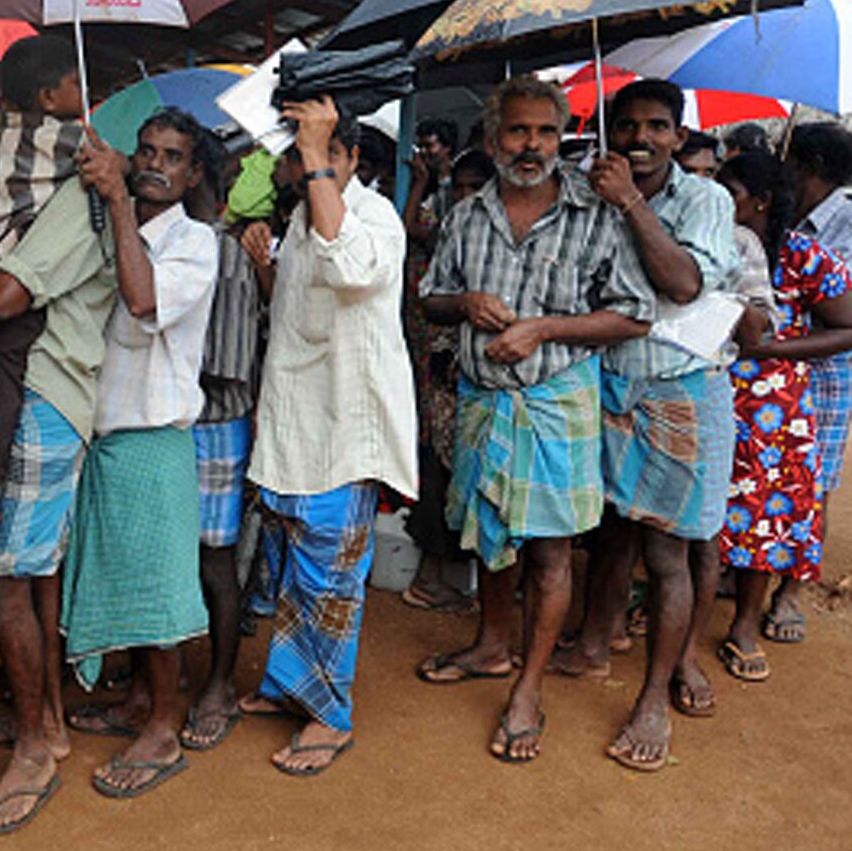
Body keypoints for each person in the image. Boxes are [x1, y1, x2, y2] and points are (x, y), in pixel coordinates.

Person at [416, 76, 654, 764]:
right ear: (493, 141)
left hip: (556, 402)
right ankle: (492, 647)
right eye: (518, 132)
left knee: (549, 550)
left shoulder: (596, 212)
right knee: (490, 530)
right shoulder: (464, 213)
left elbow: (634, 313)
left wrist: (542, 330)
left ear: (562, 136)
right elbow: (430, 300)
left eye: (545, 132)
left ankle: (528, 687)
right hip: (484, 401)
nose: (532, 146)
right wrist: (465, 304)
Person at [238, 97, 417, 776]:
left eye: (319, 153)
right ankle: (293, 688)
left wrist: (314, 159)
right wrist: (264, 263)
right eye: (300, 153)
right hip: (296, 425)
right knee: (293, 571)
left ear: (349, 159)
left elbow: (349, 270)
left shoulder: (374, 218)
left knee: (329, 576)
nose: (302, 166)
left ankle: (329, 715)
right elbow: (293, 310)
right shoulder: (303, 213)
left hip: (344, 432)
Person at [0, 76, 118, 833]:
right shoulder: (66, 186)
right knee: (38, 570)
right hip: (52, 396)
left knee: (3, 576)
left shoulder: (72, 199)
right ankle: (50, 719)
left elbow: (4, 301)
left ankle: (33, 745)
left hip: (45, 398)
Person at [575, 79, 739, 772]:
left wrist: (631, 203)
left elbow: (682, 286)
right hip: (608, 383)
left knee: (670, 553)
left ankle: (654, 693)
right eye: (629, 126)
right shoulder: (590, 189)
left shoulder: (707, 199)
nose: (640, 140)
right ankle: (590, 646)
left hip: (679, 389)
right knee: (609, 533)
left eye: (657, 127)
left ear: (678, 135)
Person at [60, 109, 218, 798]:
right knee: (122, 576)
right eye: (146, 150)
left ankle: (163, 726)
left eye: (172, 156)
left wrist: (120, 199)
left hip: (154, 437)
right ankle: (134, 707)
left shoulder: (196, 243)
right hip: (102, 435)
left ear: (193, 175)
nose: (156, 163)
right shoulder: (106, 220)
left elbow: (143, 299)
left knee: (158, 594)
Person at [717, 150, 852, 678]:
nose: (717, 199)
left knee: (764, 516)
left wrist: (775, 350)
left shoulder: (807, 257)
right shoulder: (708, 245)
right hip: (707, 393)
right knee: (697, 511)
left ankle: (743, 626)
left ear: (758, 201)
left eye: (729, 191)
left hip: (771, 410)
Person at [773, 122, 852, 643]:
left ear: (806, 165)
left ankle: (791, 591)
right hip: (766, 370)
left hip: (821, 371)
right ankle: (748, 568)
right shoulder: (775, 214)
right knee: (757, 471)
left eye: (788, 159)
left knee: (814, 479)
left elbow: (850, 320)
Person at [0, 36, 85, 535]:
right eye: (77, 83)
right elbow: (114, 168)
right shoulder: (77, 144)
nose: (85, 91)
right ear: (48, 98)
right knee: (7, 376)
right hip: (14, 279)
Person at [180, 135, 265, 751]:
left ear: (199, 174)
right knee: (164, 556)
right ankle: (150, 684)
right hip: (172, 423)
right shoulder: (164, 242)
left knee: (215, 563)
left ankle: (218, 683)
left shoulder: (223, 254)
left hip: (212, 423)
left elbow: (228, 364)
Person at [402, 148, 495, 612]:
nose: (464, 196)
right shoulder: (453, 229)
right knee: (441, 473)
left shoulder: (479, 232)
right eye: (457, 187)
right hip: (442, 374)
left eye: (473, 187)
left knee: (456, 474)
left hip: (462, 377)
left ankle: (444, 576)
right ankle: (432, 576)